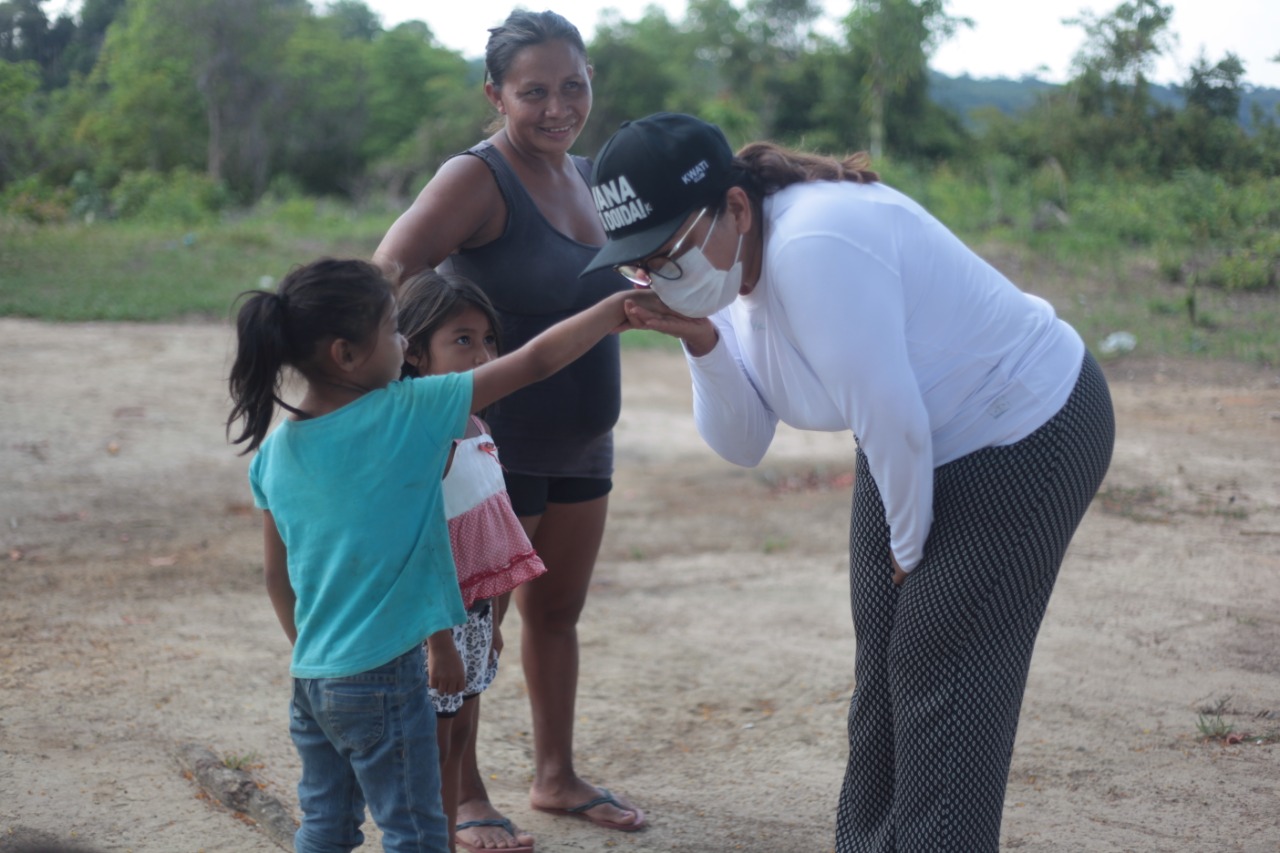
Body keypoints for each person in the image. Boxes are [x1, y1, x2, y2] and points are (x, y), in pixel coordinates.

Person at [582, 112, 1116, 852]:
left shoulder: (812, 243)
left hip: (1023, 424)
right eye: (640, 265)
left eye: (668, 252)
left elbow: (892, 415)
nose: (661, 277)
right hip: (916, 439)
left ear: (735, 207)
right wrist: (701, 342)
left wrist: (909, 542)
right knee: (884, 665)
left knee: (941, 668)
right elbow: (743, 441)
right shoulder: (729, 277)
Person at [226, 258, 653, 853]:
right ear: (347, 354)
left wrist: (317, 654)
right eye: (392, 328)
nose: (403, 342)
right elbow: (534, 363)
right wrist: (614, 309)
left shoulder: (274, 452)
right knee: (418, 832)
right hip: (386, 675)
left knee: (325, 825)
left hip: (314, 677)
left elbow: (278, 578)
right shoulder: (411, 413)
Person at [372, 8, 645, 845]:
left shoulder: (596, 175)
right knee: (472, 635)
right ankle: (462, 793)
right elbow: (386, 272)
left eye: (574, 85)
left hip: (582, 442)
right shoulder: (476, 179)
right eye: (534, 91)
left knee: (556, 615)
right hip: (493, 450)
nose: (558, 106)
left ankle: (555, 775)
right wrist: (418, 378)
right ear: (495, 94)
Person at [398, 269, 548, 853]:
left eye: (489, 340)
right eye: (462, 340)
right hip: (434, 626)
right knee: (432, 748)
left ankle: (451, 823)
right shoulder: (419, 438)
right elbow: (420, 548)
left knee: (459, 735)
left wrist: (492, 628)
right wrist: (440, 644)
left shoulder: (478, 426)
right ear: (412, 352)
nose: (484, 354)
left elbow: (494, 542)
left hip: (475, 622)